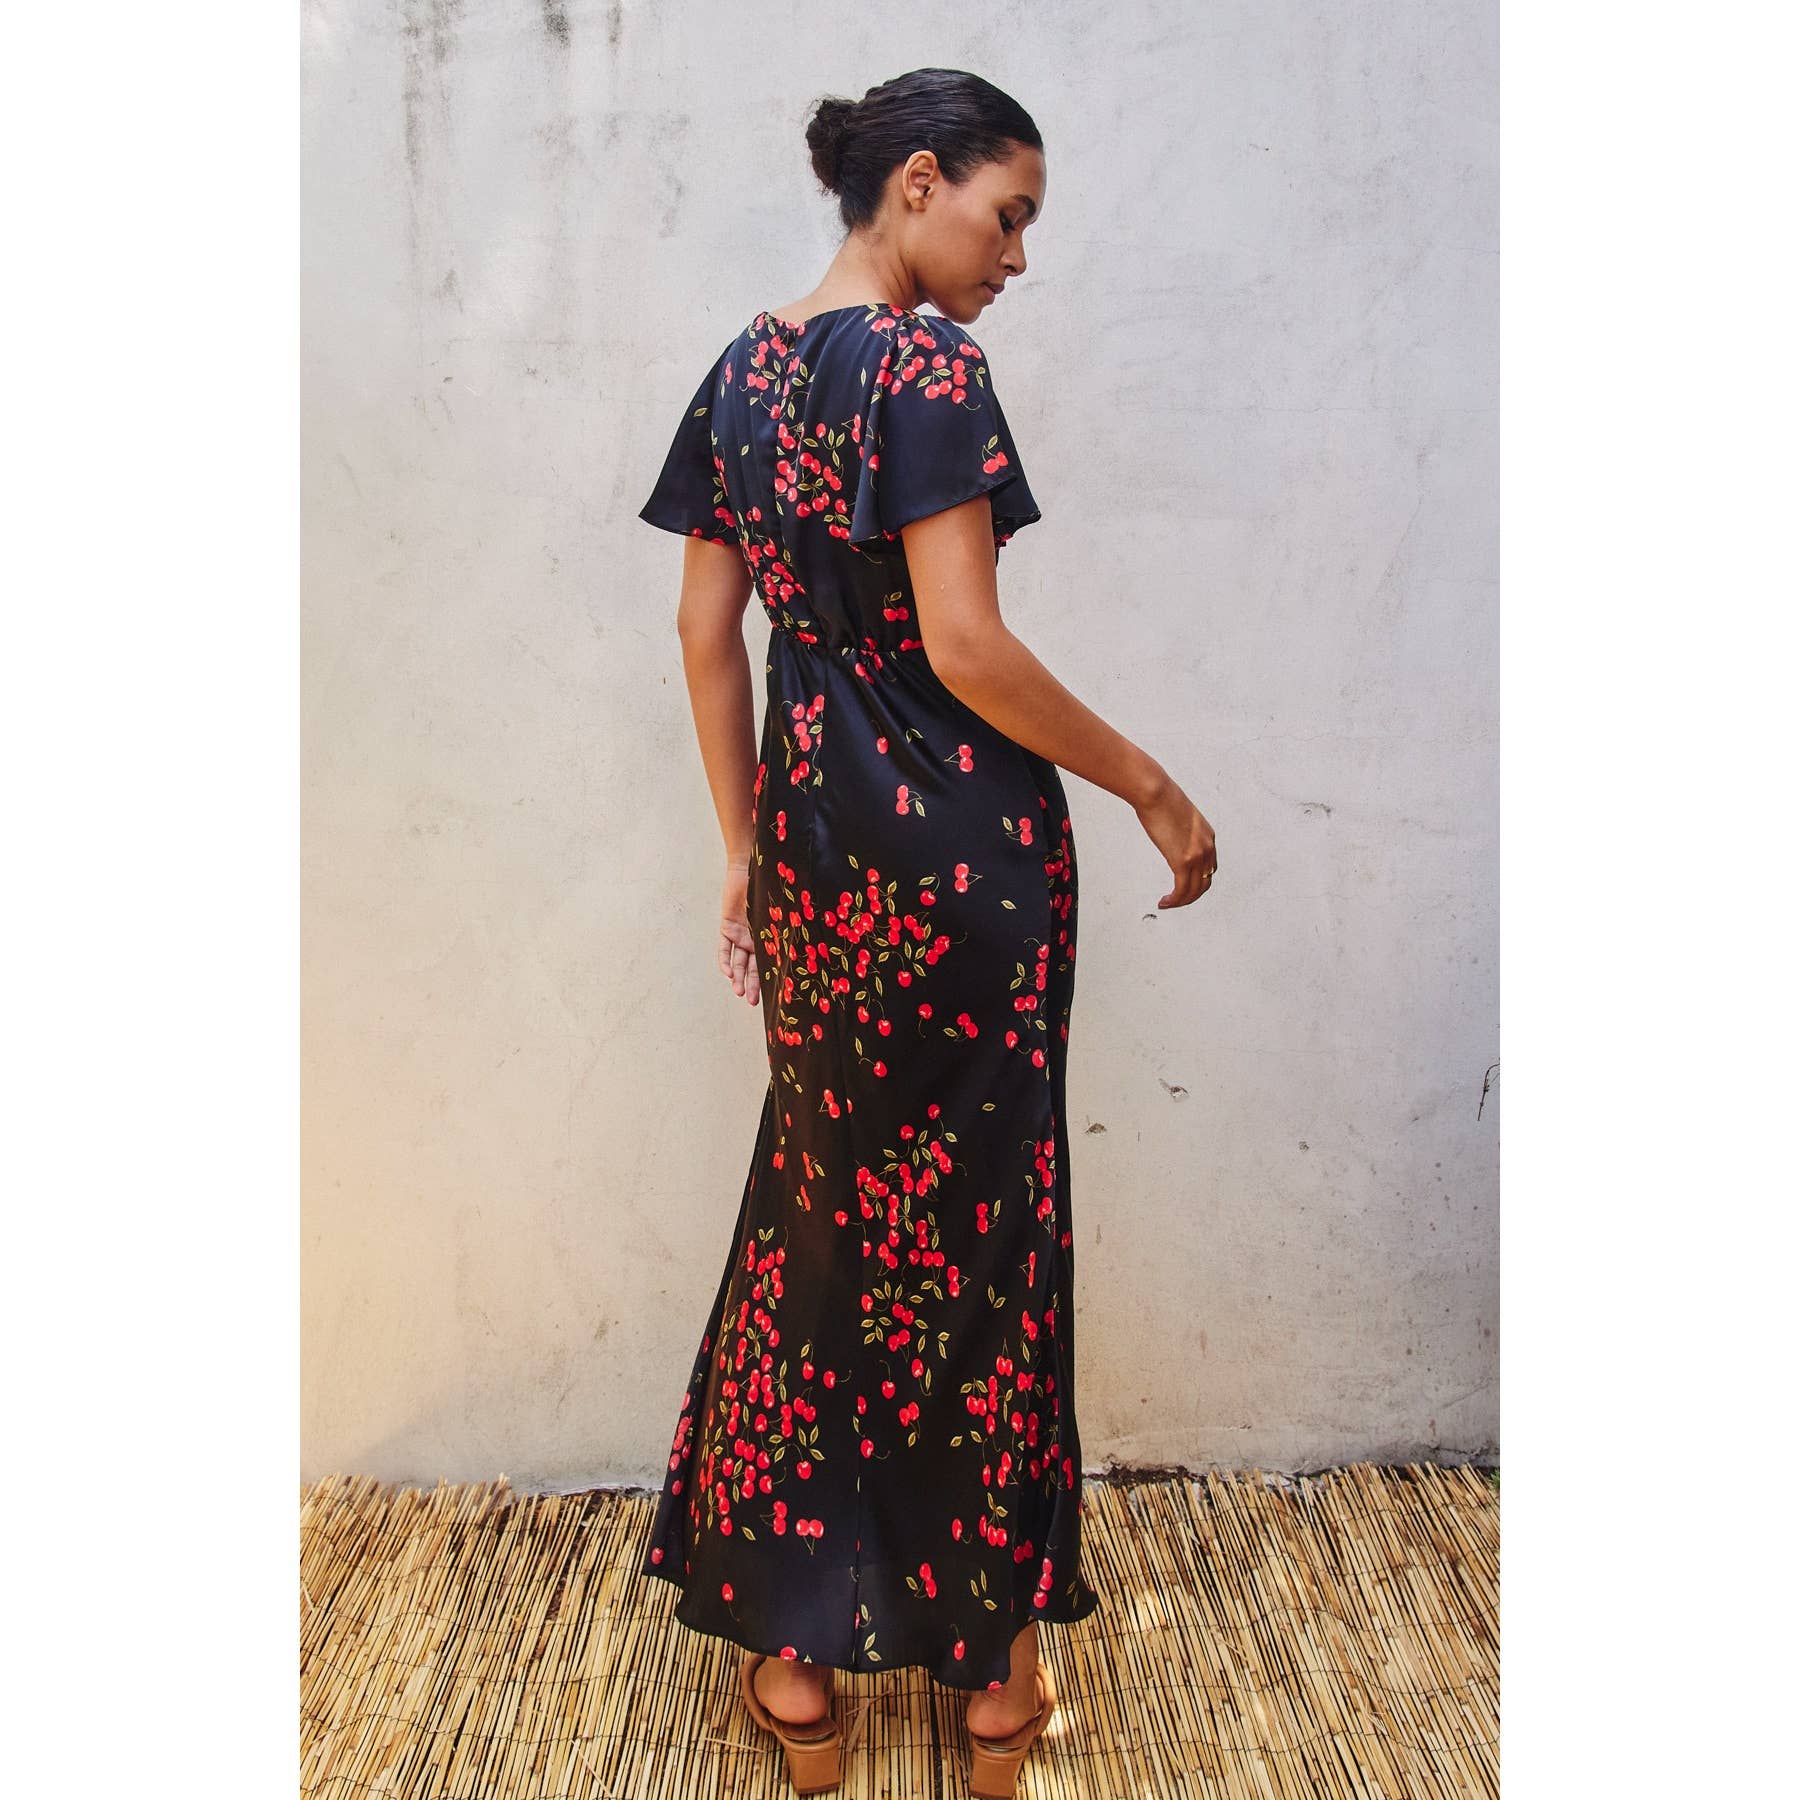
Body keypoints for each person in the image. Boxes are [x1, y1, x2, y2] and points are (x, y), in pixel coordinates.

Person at [636, 66, 1216, 1794]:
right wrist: (1148, 783)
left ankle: (797, 1661)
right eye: (1006, 213)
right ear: (915, 183)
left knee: (823, 1219)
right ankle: (995, 1678)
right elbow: (963, 647)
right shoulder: (928, 369)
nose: (1014, 257)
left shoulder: (742, 371)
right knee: (985, 1241)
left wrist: (745, 848)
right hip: (963, 863)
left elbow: (705, 633)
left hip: (818, 855)